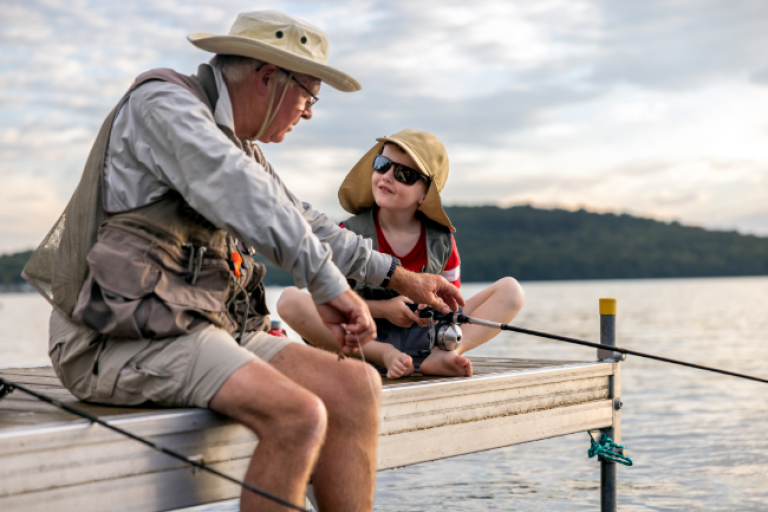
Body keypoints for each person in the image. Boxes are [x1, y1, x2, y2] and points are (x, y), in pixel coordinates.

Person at [22, 11, 464, 512]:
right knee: (297, 416)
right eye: (310, 94)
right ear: (268, 78)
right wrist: (330, 289)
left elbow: (304, 220)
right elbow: (239, 191)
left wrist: (403, 276)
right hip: (114, 341)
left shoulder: (240, 146)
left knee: (357, 385)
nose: (310, 112)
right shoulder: (162, 105)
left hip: (200, 328)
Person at [278, 129, 525, 379]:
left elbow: (452, 310)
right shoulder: (347, 234)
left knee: (511, 290)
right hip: (362, 339)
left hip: (425, 340)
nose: (386, 177)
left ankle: (446, 353)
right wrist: (384, 309)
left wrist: (430, 312)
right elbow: (327, 302)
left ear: (425, 194)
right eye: (382, 165)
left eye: (404, 174)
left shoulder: (442, 241)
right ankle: (381, 353)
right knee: (290, 300)